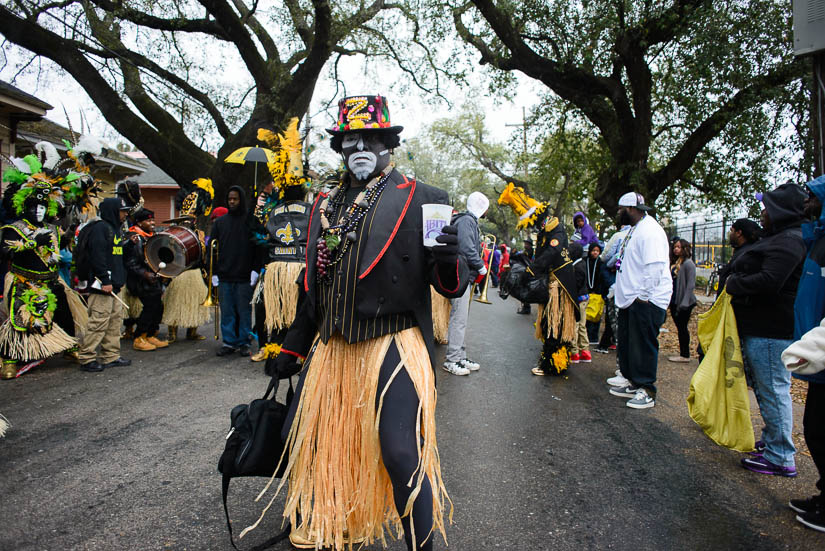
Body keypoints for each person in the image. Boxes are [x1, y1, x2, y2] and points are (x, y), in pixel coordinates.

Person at [252, 95, 470, 551]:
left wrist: (451, 256)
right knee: (311, 444)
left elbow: (449, 285)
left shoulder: (421, 199)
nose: (360, 146)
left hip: (392, 341)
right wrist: (292, 348)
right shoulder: (323, 206)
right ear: (341, 146)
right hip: (333, 346)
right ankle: (335, 520)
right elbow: (313, 288)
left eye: (371, 137)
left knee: (400, 452)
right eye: (351, 138)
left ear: (389, 142)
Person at [727, 183, 807, 477]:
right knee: (765, 388)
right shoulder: (780, 238)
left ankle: (781, 455)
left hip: (772, 330)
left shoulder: (789, 241)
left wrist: (733, 284)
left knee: (774, 389)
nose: (762, 213)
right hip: (759, 326)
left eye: (767, 207)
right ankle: (773, 440)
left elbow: (770, 280)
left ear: (781, 210)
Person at [497, 183, 577, 376]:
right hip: (551, 282)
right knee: (549, 323)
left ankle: (553, 364)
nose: (532, 227)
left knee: (554, 324)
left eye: (532, 222)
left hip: (560, 284)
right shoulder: (545, 231)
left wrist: (530, 272)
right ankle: (554, 362)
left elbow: (550, 254)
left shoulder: (555, 231)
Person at [0, 179, 76, 379]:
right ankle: (9, 359)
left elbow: (57, 251)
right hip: (25, 282)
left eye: (42, 207)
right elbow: (6, 251)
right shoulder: (14, 228)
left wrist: (70, 232)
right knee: (18, 321)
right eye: (34, 207)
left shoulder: (51, 229)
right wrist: (32, 243)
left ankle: (68, 345)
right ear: (25, 208)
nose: (38, 211)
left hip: (51, 281)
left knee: (64, 314)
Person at [608, 192, 672, 409]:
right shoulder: (636, 230)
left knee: (644, 346)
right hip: (630, 298)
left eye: (621, 209)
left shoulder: (650, 231)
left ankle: (647, 390)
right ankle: (633, 382)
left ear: (631, 209)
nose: (618, 213)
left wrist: (643, 296)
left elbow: (654, 267)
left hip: (646, 300)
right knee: (629, 343)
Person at [786, 174, 825, 528]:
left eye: (811, 198)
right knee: (814, 426)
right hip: (817, 353)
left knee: (818, 427)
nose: (805, 205)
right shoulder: (816, 239)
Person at [76, 197, 132, 372]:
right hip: (101, 286)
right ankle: (87, 357)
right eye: (123, 211)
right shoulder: (100, 229)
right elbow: (97, 256)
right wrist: (104, 280)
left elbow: (116, 257)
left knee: (115, 322)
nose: (125, 214)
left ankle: (111, 356)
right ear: (113, 211)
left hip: (115, 285)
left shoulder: (116, 229)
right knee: (98, 322)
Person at [162, 178, 214, 343]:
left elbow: (203, 255)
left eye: (190, 222)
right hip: (178, 273)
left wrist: (206, 270)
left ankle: (192, 331)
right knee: (175, 303)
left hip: (195, 273)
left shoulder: (199, 234)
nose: (187, 224)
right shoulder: (172, 233)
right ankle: (172, 332)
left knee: (195, 303)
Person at [443, 192, 488, 375]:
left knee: (461, 318)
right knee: (459, 319)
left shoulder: (468, 221)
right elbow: (466, 247)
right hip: (461, 274)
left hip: (464, 274)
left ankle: (460, 356)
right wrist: (481, 265)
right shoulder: (467, 221)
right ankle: (452, 359)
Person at [209, 185, 254, 356]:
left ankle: (244, 341)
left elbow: (258, 248)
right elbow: (212, 248)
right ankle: (229, 342)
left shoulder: (250, 221)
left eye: (235, 198)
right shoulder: (220, 223)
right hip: (224, 274)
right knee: (227, 311)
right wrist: (213, 272)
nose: (232, 202)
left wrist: (255, 271)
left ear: (241, 199)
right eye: (230, 199)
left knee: (244, 311)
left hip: (244, 275)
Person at [124, 209, 168, 351]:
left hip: (151, 280)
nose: (152, 223)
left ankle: (150, 334)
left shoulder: (149, 237)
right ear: (139, 223)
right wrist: (145, 274)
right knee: (150, 307)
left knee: (157, 306)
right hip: (139, 281)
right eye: (148, 221)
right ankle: (139, 337)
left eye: (153, 220)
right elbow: (130, 263)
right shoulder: (134, 238)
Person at [597, 221, 631, 356]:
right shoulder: (636, 235)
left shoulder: (619, 236)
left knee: (614, 318)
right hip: (629, 285)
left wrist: (611, 264)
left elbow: (606, 256)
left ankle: (620, 357)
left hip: (616, 281)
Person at [667, 239, 696, 363]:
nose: (676, 249)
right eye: (675, 247)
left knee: (682, 327)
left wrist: (684, 303)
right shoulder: (675, 263)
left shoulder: (688, 264)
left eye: (679, 247)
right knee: (679, 327)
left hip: (684, 302)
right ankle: (683, 353)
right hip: (674, 300)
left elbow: (690, 285)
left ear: (684, 248)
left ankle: (685, 354)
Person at [568, 241, 591, 364]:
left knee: (575, 325)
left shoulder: (578, 267)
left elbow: (576, 285)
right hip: (584, 299)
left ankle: (574, 352)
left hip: (578, 299)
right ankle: (585, 351)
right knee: (582, 325)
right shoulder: (581, 264)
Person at [584, 242, 604, 345]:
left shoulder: (600, 263)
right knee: (586, 315)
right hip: (586, 292)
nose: (595, 253)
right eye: (593, 251)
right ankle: (586, 336)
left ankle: (594, 337)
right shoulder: (585, 261)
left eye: (597, 251)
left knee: (596, 315)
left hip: (597, 292)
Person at [517, 238, 534, 315]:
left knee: (525, 290)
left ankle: (527, 308)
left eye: (527, 244)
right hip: (524, 272)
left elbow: (528, 260)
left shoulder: (531, 252)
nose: (525, 245)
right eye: (525, 243)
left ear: (530, 245)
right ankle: (525, 306)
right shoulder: (525, 251)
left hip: (529, 272)